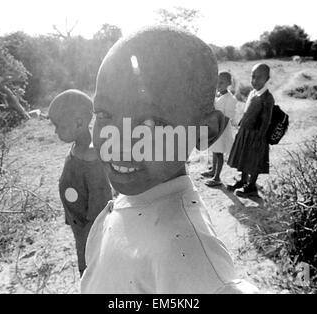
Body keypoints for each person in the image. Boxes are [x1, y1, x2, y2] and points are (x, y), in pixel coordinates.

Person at [81, 26, 258, 294]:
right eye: (104, 113)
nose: (117, 140)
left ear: (206, 131)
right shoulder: (131, 199)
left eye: (150, 123)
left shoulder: (185, 249)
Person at [48, 89, 112, 276]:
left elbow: (100, 206)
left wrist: (87, 238)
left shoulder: (92, 159)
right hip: (80, 226)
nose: (56, 131)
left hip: (90, 232)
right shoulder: (77, 149)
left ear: (79, 123)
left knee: (93, 270)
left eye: (60, 126)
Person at [227, 63, 274, 198]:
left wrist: (260, 137)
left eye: (259, 78)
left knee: (254, 160)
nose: (254, 80)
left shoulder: (267, 98)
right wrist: (242, 123)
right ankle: (243, 181)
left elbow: (266, 121)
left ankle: (251, 186)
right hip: (246, 131)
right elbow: (248, 110)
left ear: (267, 79)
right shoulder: (253, 92)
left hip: (257, 135)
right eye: (253, 77)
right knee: (244, 157)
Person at [202, 71, 238, 187]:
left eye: (222, 82)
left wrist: (219, 130)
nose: (219, 84)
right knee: (214, 149)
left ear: (228, 84)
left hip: (221, 129)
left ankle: (217, 177)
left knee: (219, 153)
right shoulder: (218, 95)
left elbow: (227, 117)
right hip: (214, 126)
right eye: (217, 81)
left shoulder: (230, 99)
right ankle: (213, 170)